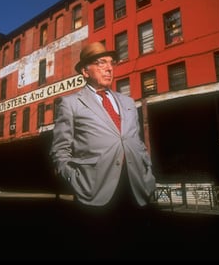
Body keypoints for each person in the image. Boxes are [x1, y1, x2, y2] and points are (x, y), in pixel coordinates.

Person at [50, 42, 157, 259]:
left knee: (140, 247)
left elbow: (137, 142)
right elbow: (60, 150)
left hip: (137, 188)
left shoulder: (127, 101)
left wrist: (149, 174)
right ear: (84, 71)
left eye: (111, 63)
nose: (109, 68)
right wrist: (74, 178)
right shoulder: (70, 103)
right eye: (101, 63)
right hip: (94, 190)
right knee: (101, 248)